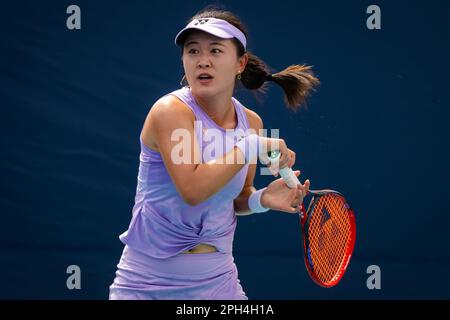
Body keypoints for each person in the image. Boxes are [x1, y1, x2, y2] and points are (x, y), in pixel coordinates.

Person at [109, 6, 319, 300]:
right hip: (149, 286)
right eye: (192, 51)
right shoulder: (170, 112)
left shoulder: (252, 123)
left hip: (219, 283)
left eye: (216, 51)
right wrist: (250, 145)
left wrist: (262, 199)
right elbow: (194, 190)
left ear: (240, 63)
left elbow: (237, 198)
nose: (202, 61)